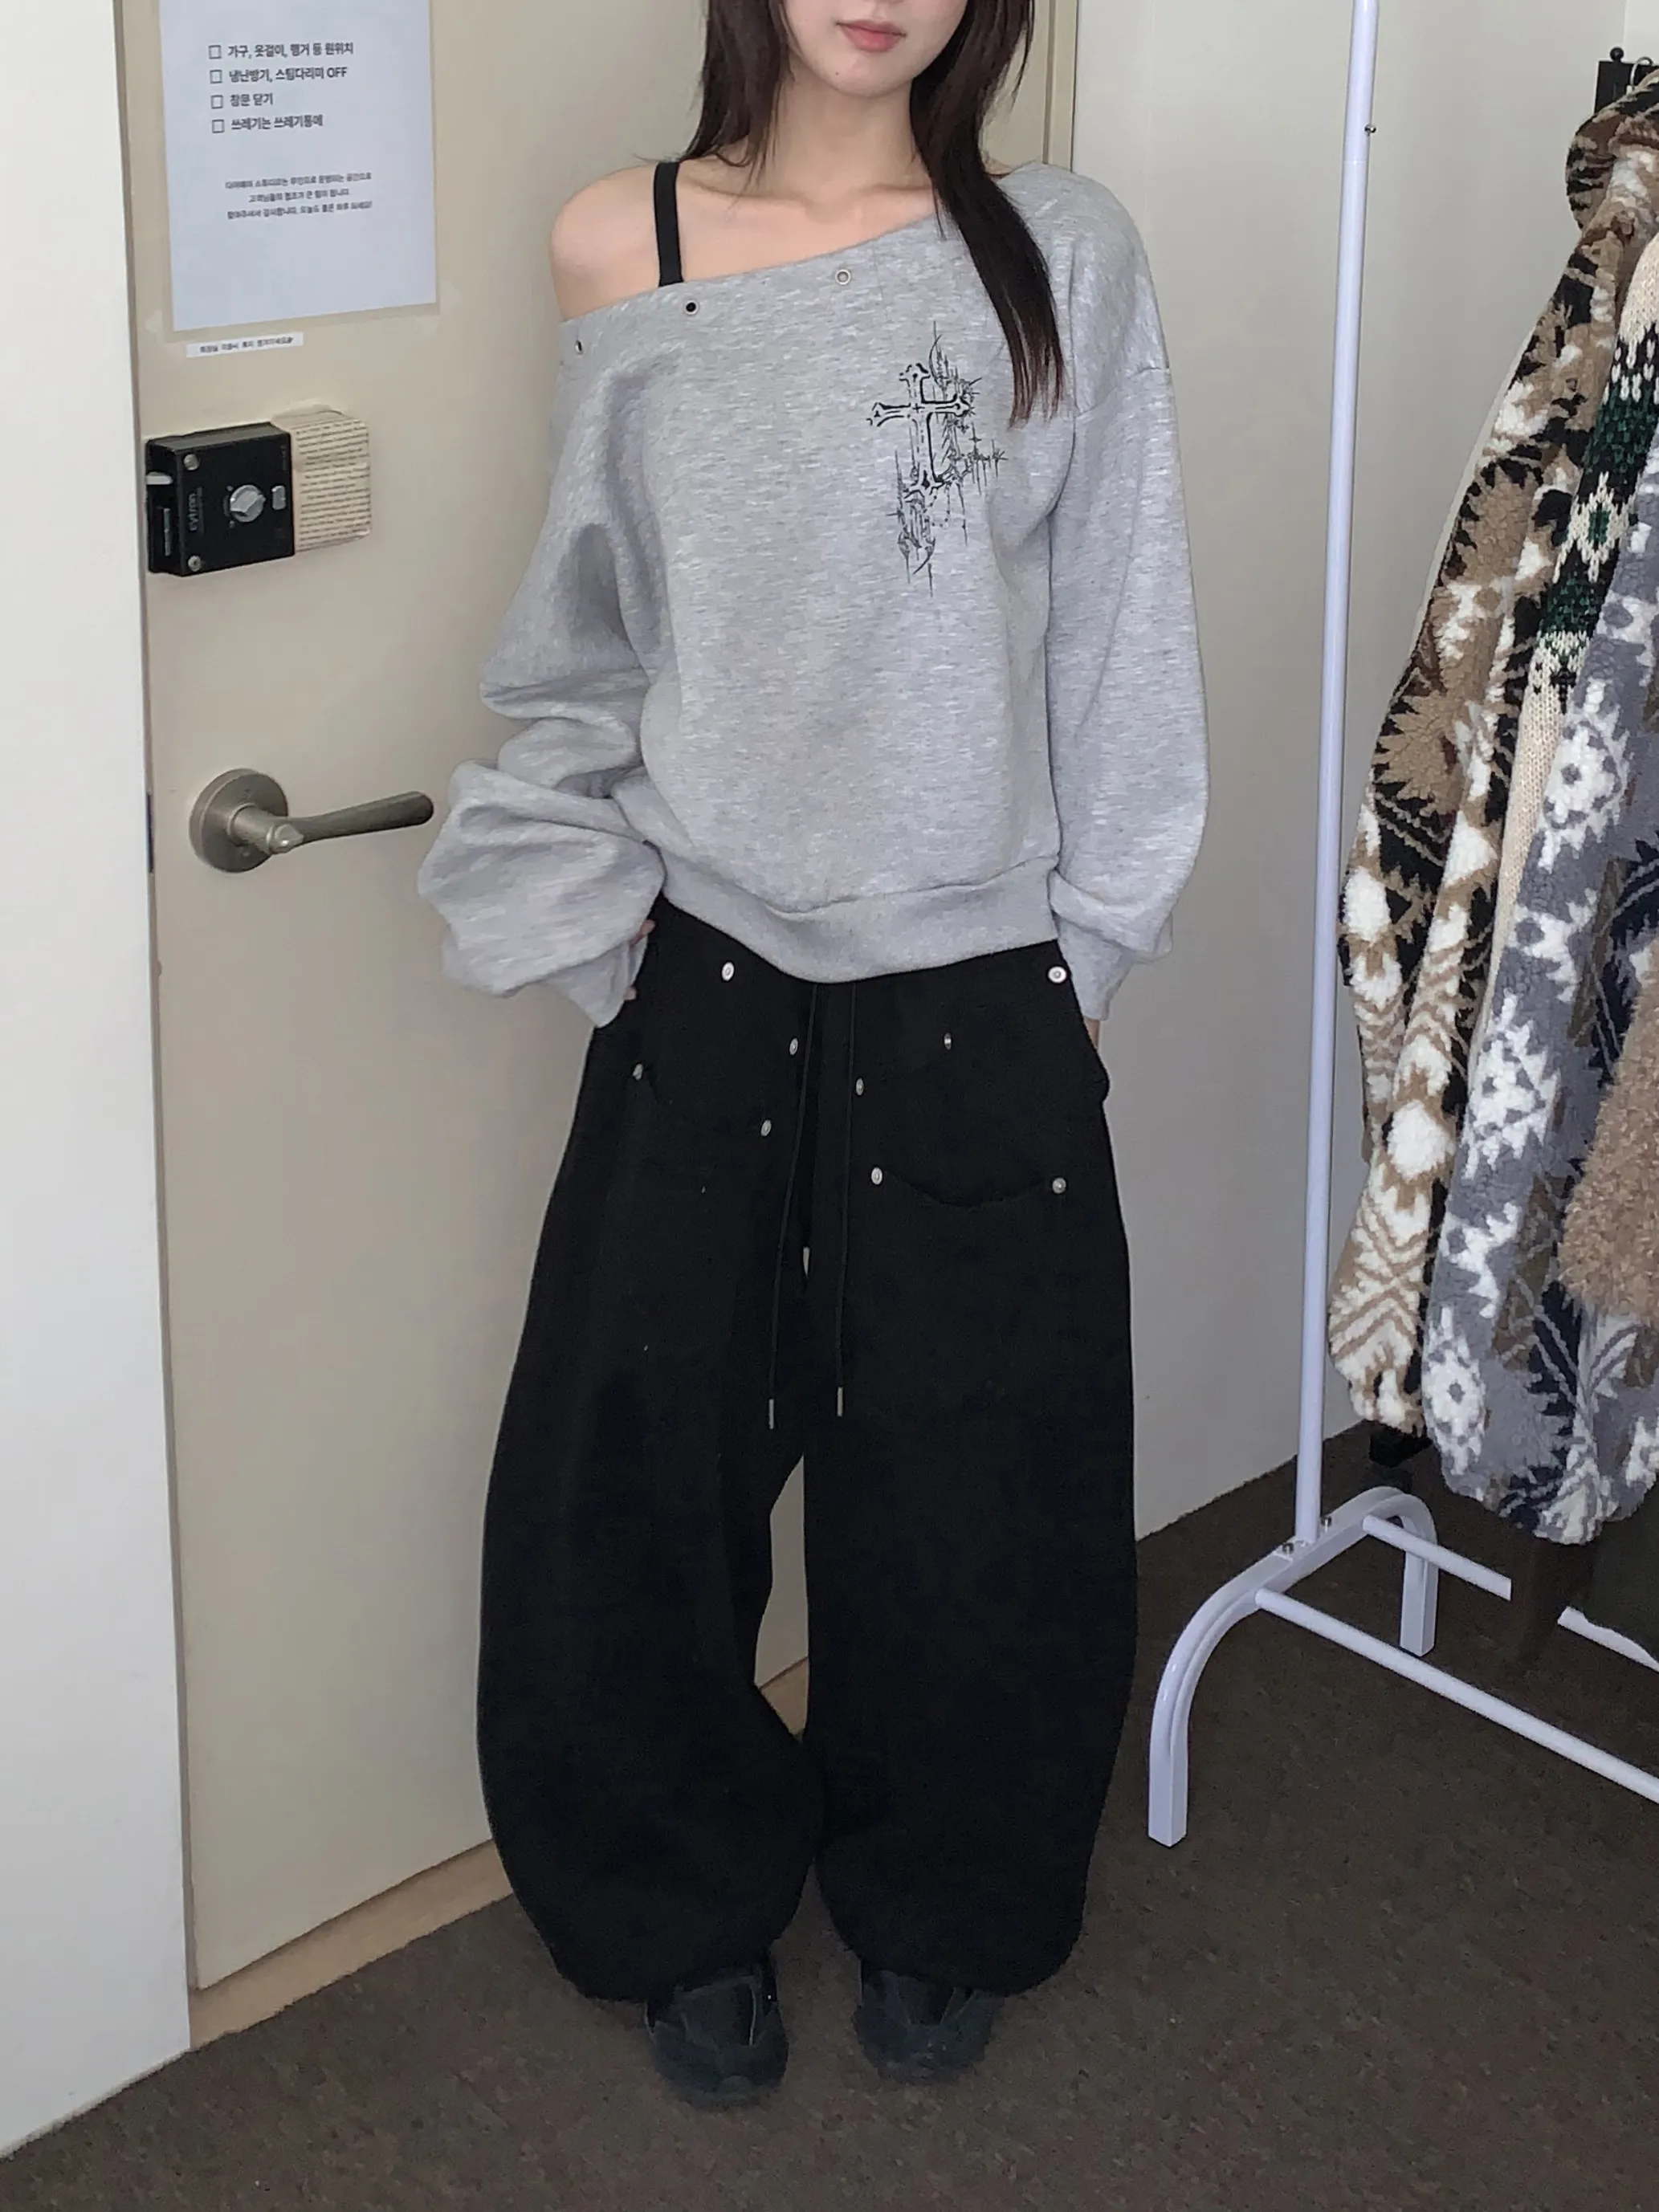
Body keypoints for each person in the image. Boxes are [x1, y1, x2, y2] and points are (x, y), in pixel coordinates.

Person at [418, 0, 1208, 2109]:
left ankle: (949, 1894)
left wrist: (1080, 962)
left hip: (980, 986)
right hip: (706, 972)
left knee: (984, 1492)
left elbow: (1124, 641)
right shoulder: (623, 242)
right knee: (628, 1486)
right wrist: (605, 945)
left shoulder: (1065, 249)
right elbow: (589, 627)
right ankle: (671, 1900)